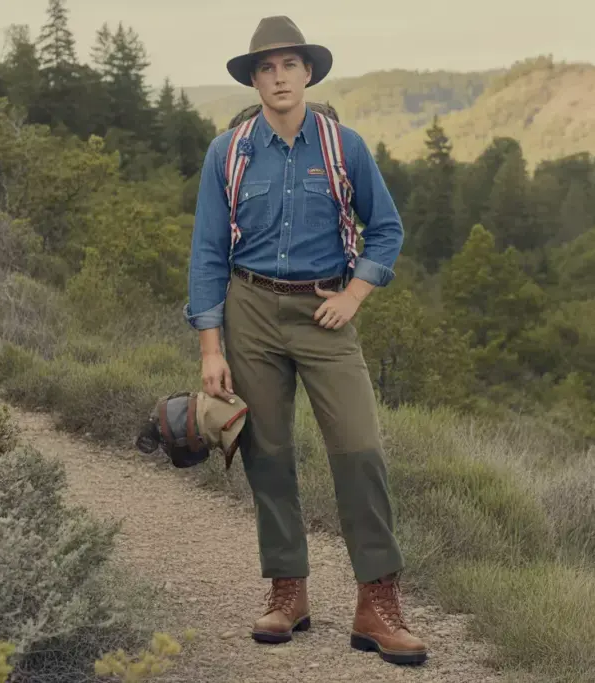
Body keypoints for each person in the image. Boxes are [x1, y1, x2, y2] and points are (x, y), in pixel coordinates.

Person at [183, 15, 427, 665]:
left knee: (360, 448)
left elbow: (388, 230)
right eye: (266, 67)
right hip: (250, 310)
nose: (279, 76)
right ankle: (288, 591)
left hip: (326, 313)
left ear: (308, 73)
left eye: (289, 64)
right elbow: (207, 250)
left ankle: (377, 602)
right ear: (255, 79)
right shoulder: (227, 152)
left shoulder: (344, 146)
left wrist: (354, 295)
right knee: (266, 452)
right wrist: (211, 346)